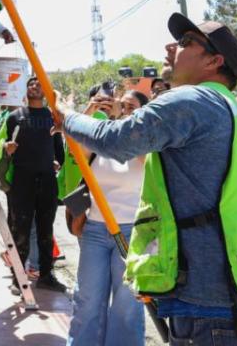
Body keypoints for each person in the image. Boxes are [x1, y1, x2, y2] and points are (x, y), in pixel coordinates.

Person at [62, 13, 237, 345]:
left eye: (186, 42)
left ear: (214, 61)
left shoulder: (195, 100)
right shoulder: (225, 107)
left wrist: (64, 115)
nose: (173, 48)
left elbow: (116, 140)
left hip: (218, 312)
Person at [66, 89, 146, 346]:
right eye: (122, 106)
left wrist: (125, 126)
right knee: (87, 299)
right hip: (96, 231)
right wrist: (90, 112)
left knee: (126, 305)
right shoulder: (103, 140)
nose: (125, 111)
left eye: (132, 107)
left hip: (132, 232)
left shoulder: (146, 142)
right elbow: (74, 149)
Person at [0, 77, 67, 293]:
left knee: (46, 231)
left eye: (38, 84)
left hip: (47, 181)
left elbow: (59, 151)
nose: (34, 86)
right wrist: (6, 149)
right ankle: (17, 278)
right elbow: (1, 146)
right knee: (19, 231)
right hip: (22, 182)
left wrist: (58, 163)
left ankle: (46, 275)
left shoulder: (53, 116)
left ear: (46, 90)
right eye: (30, 83)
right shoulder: (14, 117)